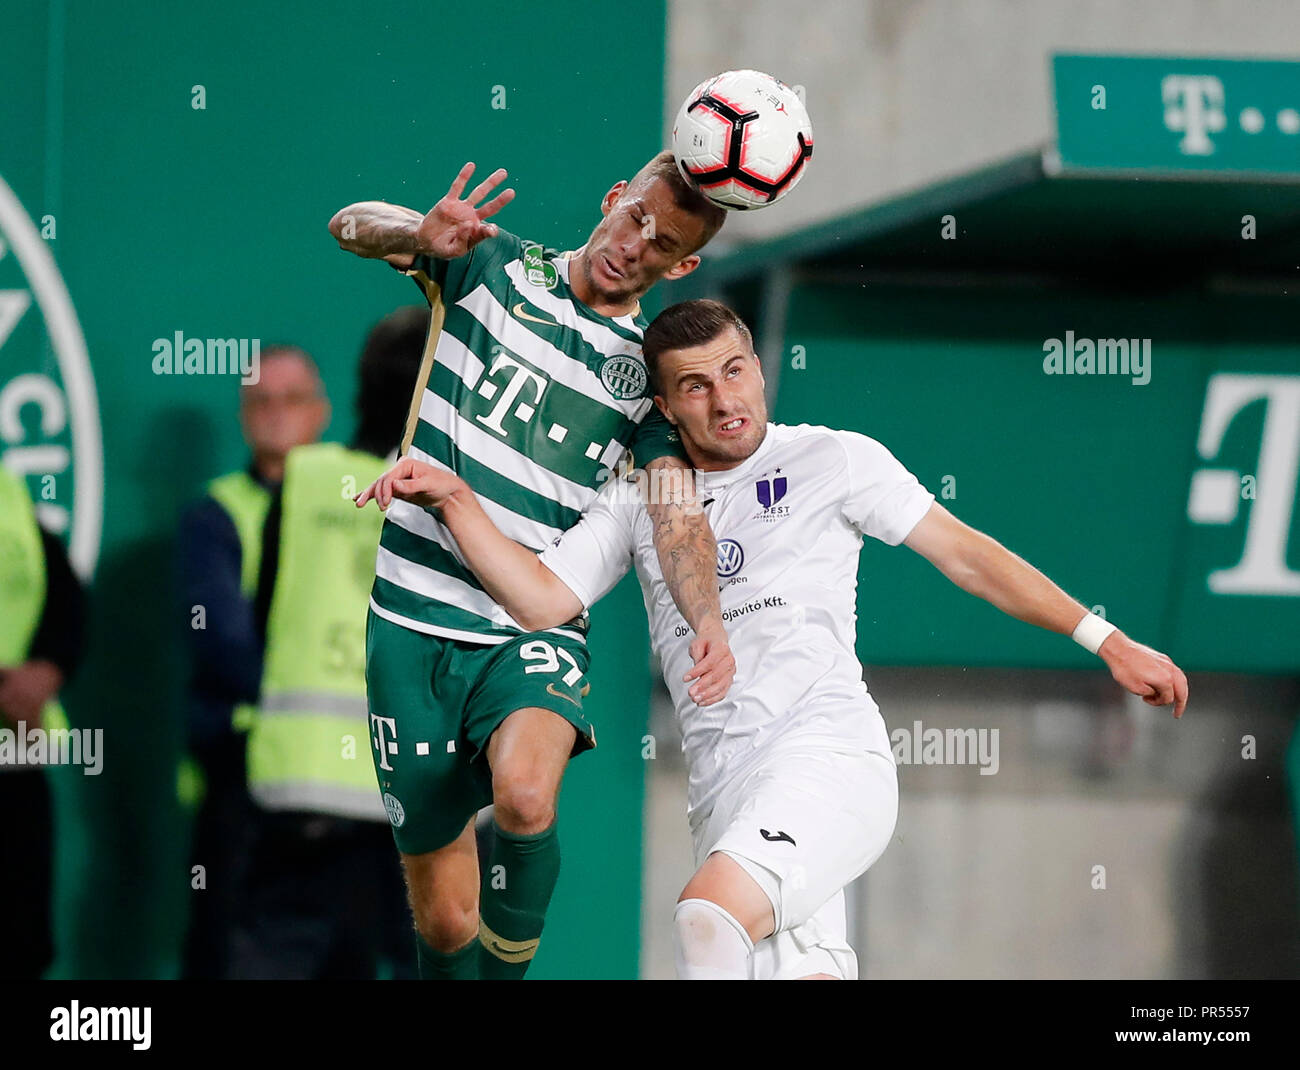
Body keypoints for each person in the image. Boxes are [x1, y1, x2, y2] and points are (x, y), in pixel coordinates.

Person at [356, 298, 1191, 980]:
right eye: (693, 386)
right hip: (722, 794)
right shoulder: (641, 498)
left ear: (758, 366)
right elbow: (542, 599)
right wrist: (456, 502)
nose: (724, 401)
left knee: (707, 916)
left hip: (828, 758)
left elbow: (969, 558)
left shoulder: (835, 460)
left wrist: (1105, 639)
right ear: (663, 403)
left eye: (734, 371)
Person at [328, 153, 736, 979]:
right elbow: (348, 222)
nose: (635, 245)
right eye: (635, 219)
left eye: (663, 246)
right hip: (410, 623)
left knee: (524, 797)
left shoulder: (649, 379)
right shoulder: (491, 262)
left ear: (684, 266)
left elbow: (675, 511)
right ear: (612, 195)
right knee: (446, 924)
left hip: (524, 627)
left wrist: (708, 620)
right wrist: (417, 231)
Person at [226, 307, 429, 979]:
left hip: (300, 796)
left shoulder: (307, 479)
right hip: (420, 804)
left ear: (362, 388)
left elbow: (263, 619)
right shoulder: (460, 496)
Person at [177, 345, 330, 978]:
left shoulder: (351, 506)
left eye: (290, 399)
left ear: (320, 412)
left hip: (341, 779)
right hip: (243, 769)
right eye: (259, 401)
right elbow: (221, 643)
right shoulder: (217, 513)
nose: (274, 414)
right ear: (242, 415)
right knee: (228, 952)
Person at [0, 461, 88, 979]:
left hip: (13, 761)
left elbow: (66, 605)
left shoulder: (11, 501)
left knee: (19, 945)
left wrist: (46, 669)